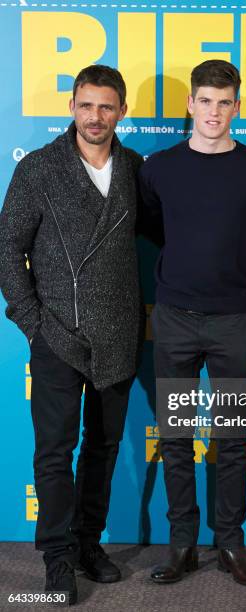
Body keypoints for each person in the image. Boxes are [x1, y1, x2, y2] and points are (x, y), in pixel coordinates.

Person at [0, 65, 152, 605]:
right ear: (72, 107)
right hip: (57, 336)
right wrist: (33, 322)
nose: (95, 116)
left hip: (117, 334)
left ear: (122, 111)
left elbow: (169, 232)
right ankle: (58, 557)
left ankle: (90, 543)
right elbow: (7, 249)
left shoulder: (136, 168)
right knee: (53, 452)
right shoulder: (39, 169)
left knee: (105, 447)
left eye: (106, 107)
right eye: (86, 105)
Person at [139, 59, 246, 587]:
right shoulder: (158, 167)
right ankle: (182, 545)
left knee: (234, 438)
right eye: (206, 101)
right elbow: (154, 224)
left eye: (225, 103)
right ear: (190, 104)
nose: (214, 112)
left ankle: (231, 543)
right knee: (175, 436)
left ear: (236, 107)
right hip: (174, 319)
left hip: (232, 322)